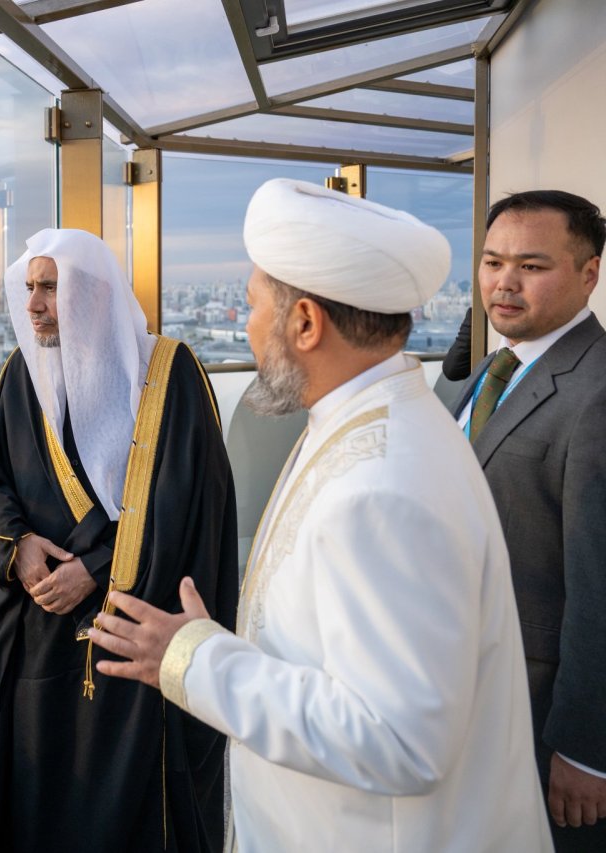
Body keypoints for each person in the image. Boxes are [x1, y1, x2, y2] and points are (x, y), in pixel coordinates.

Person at [88, 179, 552, 852]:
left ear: (304, 322)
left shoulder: (383, 484)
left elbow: (399, 739)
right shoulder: (373, 421)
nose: (245, 327)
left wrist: (193, 657)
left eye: (250, 305)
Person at [0, 228, 238, 853]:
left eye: (49, 289)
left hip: (137, 624)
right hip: (41, 626)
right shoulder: (21, 372)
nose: (33, 304)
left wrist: (96, 567)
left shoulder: (169, 374)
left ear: (91, 295)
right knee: (42, 781)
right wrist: (20, 545)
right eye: (29, 288)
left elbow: (191, 505)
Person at [450, 190, 606, 851]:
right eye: (491, 261)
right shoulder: (491, 369)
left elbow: (599, 584)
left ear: (589, 272)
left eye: (532, 266)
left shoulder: (596, 391)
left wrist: (586, 747)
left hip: (544, 717)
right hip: (470, 695)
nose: (504, 283)